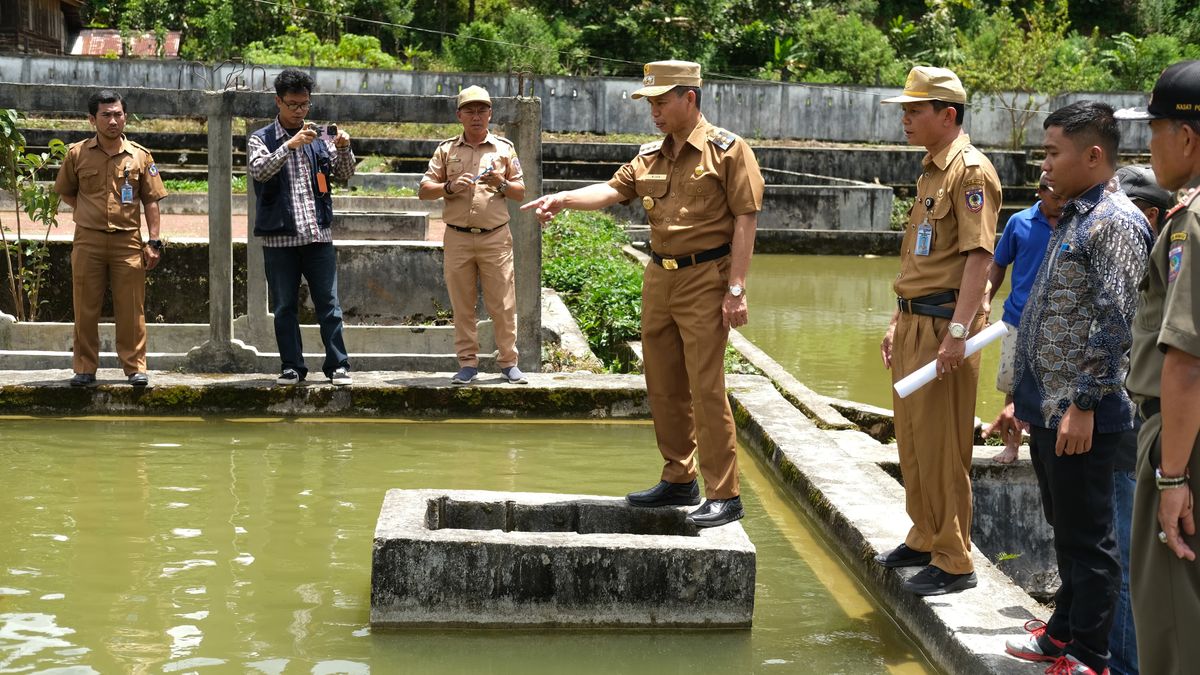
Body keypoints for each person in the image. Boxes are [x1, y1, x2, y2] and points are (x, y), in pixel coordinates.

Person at [522, 60, 763, 528]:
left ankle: (725, 494)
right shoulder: (650, 156)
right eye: (649, 102)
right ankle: (678, 478)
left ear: (688, 98)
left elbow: (746, 219)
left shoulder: (728, 151)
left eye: (660, 101)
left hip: (705, 279)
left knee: (706, 386)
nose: (653, 110)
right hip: (660, 277)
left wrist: (736, 288)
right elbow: (612, 191)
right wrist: (563, 199)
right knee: (663, 383)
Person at [1003, 101, 1152, 675]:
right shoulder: (1075, 213)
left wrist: (1085, 403)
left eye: (1053, 152)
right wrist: (1025, 395)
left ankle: (1092, 655)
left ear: (1093, 155)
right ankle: (1062, 634)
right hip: (1051, 404)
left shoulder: (1113, 220)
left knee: (1091, 541)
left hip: (1084, 410)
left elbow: (1115, 319)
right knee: (1067, 530)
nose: (1045, 164)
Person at [875, 66, 1001, 596]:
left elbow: (978, 258)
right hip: (914, 320)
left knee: (945, 445)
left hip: (944, 325)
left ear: (947, 114)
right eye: (904, 109)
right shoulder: (932, 171)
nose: (905, 118)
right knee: (914, 439)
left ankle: (954, 558)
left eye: (915, 110)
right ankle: (925, 534)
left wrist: (956, 332)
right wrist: (896, 319)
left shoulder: (970, 172)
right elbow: (919, 257)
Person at [1116, 59, 1200, 675]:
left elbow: (1186, 363)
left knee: (1172, 624)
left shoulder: (1188, 224)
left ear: (1188, 138)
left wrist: (1171, 478)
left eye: (1154, 129)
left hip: (1180, 443)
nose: (1149, 144)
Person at [247, 68, 354, 386]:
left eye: (304, 104)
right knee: (284, 307)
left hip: (318, 235)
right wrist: (289, 145)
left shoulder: (320, 137)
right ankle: (292, 366)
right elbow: (260, 171)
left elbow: (344, 174)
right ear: (278, 101)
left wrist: (345, 147)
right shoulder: (261, 138)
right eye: (293, 105)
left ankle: (338, 365)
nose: (300, 111)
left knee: (329, 305)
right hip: (280, 239)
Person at [53, 90, 168, 388]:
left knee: (131, 308)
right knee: (85, 306)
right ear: (92, 119)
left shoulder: (140, 156)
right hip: (88, 241)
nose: (113, 120)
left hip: (128, 242)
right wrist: (86, 211)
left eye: (118, 114)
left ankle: (135, 368)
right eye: (106, 115)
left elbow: (152, 200)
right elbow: (65, 190)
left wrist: (154, 241)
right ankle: (84, 368)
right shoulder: (77, 154)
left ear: (125, 116)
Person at [1105, 164, 1171, 675]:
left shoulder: (1166, 258)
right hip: (1129, 427)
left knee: (1132, 561)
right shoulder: (1138, 261)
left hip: (1147, 432)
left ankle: (1126, 665)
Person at [418, 85, 528, 385]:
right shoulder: (446, 151)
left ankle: (508, 362)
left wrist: (501, 182)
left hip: (496, 237)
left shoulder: (504, 149)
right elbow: (424, 190)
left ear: (490, 113)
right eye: (470, 110)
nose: (476, 115)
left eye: (482, 110)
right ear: (459, 115)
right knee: (463, 303)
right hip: (458, 237)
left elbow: (520, 192)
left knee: (503, 303)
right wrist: (449, 187)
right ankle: (467, 363)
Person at [982, 173, 1066, 464]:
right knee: (1013, 387)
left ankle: (1053, 446)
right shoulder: (1019, 222)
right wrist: (985, 299)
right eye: (1055, 196)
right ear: (1040, 192)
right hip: (1017, 319)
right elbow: (998, 264)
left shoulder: (1074, 224)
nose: (1061, 201)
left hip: (1058, 323)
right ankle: (1012, 446)